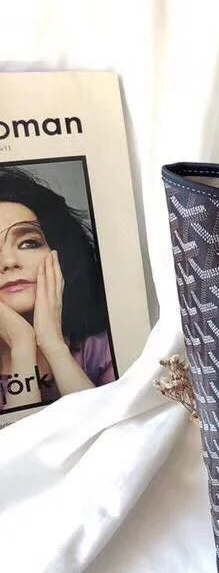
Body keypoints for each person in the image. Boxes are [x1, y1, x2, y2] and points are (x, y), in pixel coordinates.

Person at [0, 165, 116, 413]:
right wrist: (22, 344)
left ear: (60, 252)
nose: (9, 262)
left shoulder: (103, 349)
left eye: (28, 243)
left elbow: (105, 432)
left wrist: (53, 344)